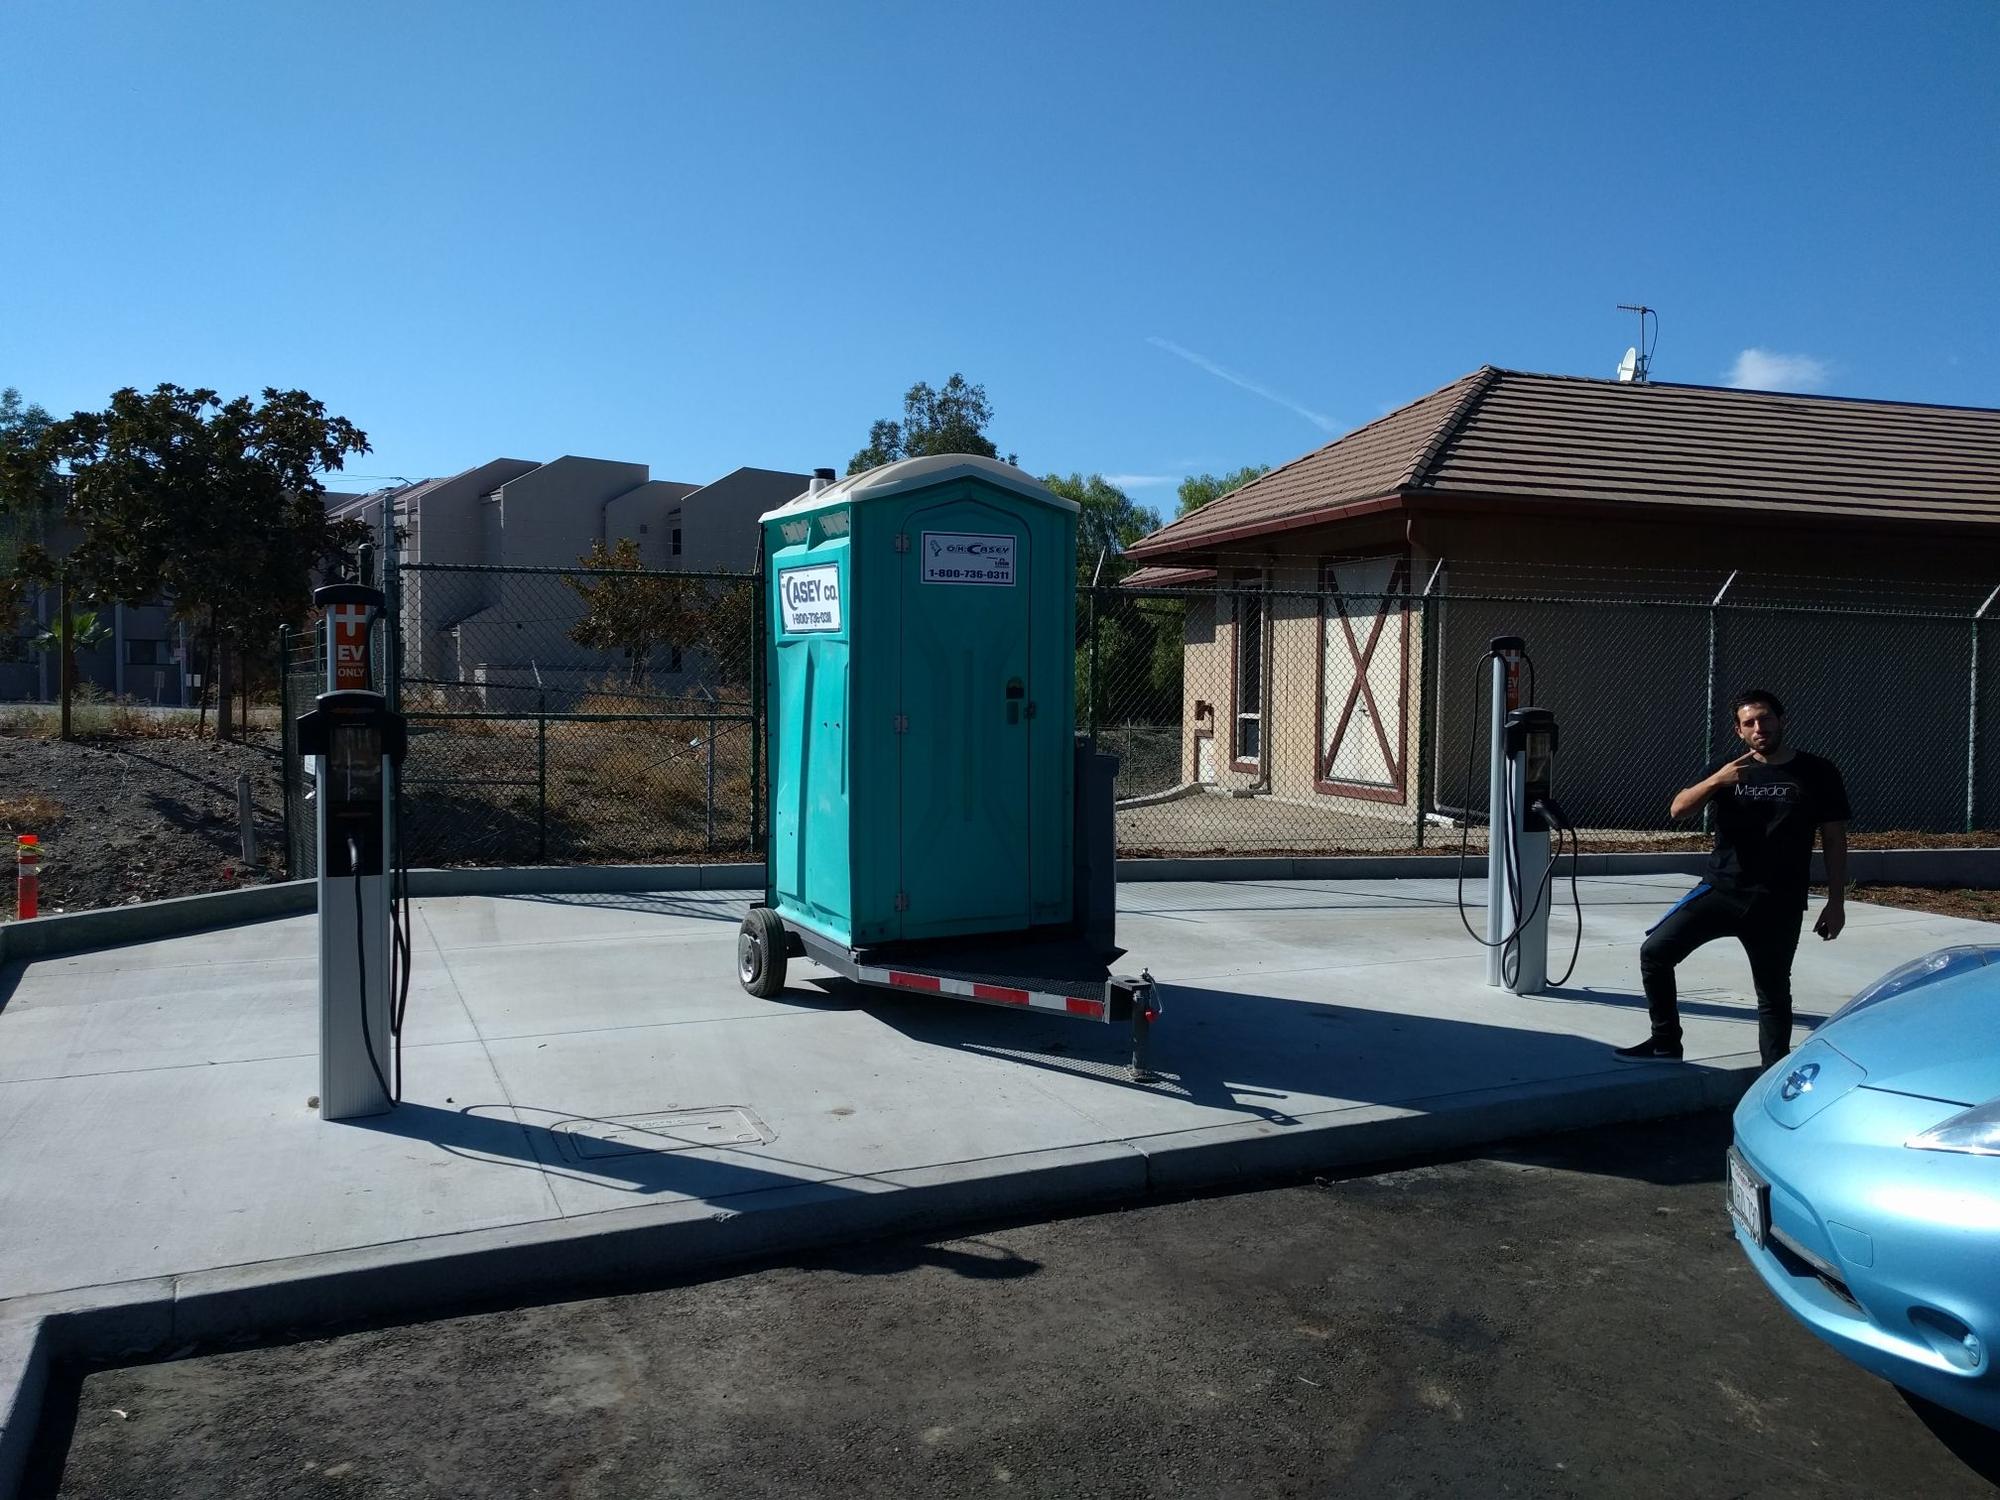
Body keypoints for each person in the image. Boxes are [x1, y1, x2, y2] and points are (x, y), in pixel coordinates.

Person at [1616, 688, 1850, 1068]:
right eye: (1749, 723)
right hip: (1721, 891)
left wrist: (1836, 902)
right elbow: (1678, 810)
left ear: (1781, 721)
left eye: (1766, 719)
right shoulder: (1726, 768)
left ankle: (1771, 1074)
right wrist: (1716, 781)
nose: (1759, 728)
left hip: (1779, 901)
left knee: (1773, 993)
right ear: (1739, 730)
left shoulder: (1818, 772)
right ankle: (1665, 1042)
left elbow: (1835, 839)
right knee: (1655, 953)